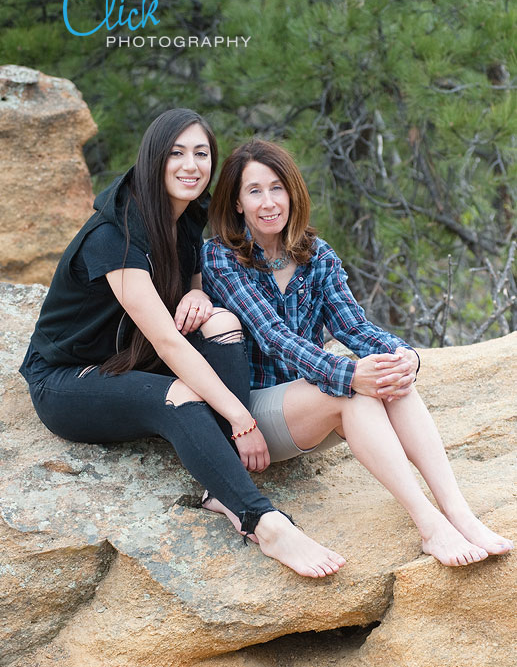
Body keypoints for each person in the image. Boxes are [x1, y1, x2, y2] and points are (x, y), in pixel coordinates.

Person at [19, 109, 347, 579]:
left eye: (201, 153)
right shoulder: (116, 234)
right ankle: (263, 522)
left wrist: (197, 293)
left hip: (135, 359)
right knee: (179, 398)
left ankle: (219, 479)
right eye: (176, 153)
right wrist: (242, 418)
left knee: (221, 320)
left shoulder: (187, 214)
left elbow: (193, 284)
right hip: (70, 376)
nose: (190, 165)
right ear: (154, 159)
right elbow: (169, 343)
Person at [201, 138, 513, 567]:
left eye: (277, 188)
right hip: (256, 412)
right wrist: (349, 375)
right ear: (237, 203)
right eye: (254, 191)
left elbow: (354, 327)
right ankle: (430, 526)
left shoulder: (317, 254)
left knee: (388, 377)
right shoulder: (221, 256)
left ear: (293, 192)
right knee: (351, 387)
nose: (269, 202)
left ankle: (458, 512)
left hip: (312, 403)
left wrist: (403, 356)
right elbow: (273, 337)